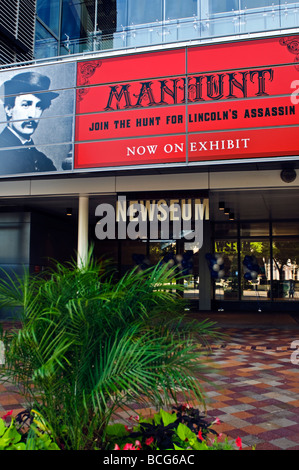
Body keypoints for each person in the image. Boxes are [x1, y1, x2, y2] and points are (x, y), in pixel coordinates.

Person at [0, 71, 59, 174]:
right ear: (9, 109)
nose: (32, 114)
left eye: (39, 106)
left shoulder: (45, 162)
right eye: (26, 105)